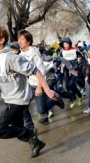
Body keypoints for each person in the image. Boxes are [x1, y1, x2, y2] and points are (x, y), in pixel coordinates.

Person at [0, 25, 57, 158]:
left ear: (2, 39)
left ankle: (31, 135)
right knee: (18, 127)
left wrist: (46, 89)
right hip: (9, 98)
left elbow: (35, 69)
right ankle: (35, 142)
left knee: (1, 129)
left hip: (18, 99)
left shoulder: (11, 57)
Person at [18, 29, 64, 124]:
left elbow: (42, 70)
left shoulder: (33, 53)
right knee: (23, 104)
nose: (19, 41)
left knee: (41, 110)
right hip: (29, 84)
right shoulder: (21, 53)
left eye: (22, 39)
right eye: (19, 39)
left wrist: (39, 87)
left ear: (28, 41)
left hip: (38, 83)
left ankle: (55, 101)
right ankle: (29, 125)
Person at [59, 37, 84, 108]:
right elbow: (59, 59)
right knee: (68, 86)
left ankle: (79, 96)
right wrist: (60, 65)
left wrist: (78, 65)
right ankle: (74, 99)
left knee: (71, 84)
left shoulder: (75, 50)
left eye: (66, 43)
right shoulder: (62, 51)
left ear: (69, 43)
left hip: (74, 70)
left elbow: (82, 57)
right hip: (66, 71)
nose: (65, 45)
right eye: (64, 44)